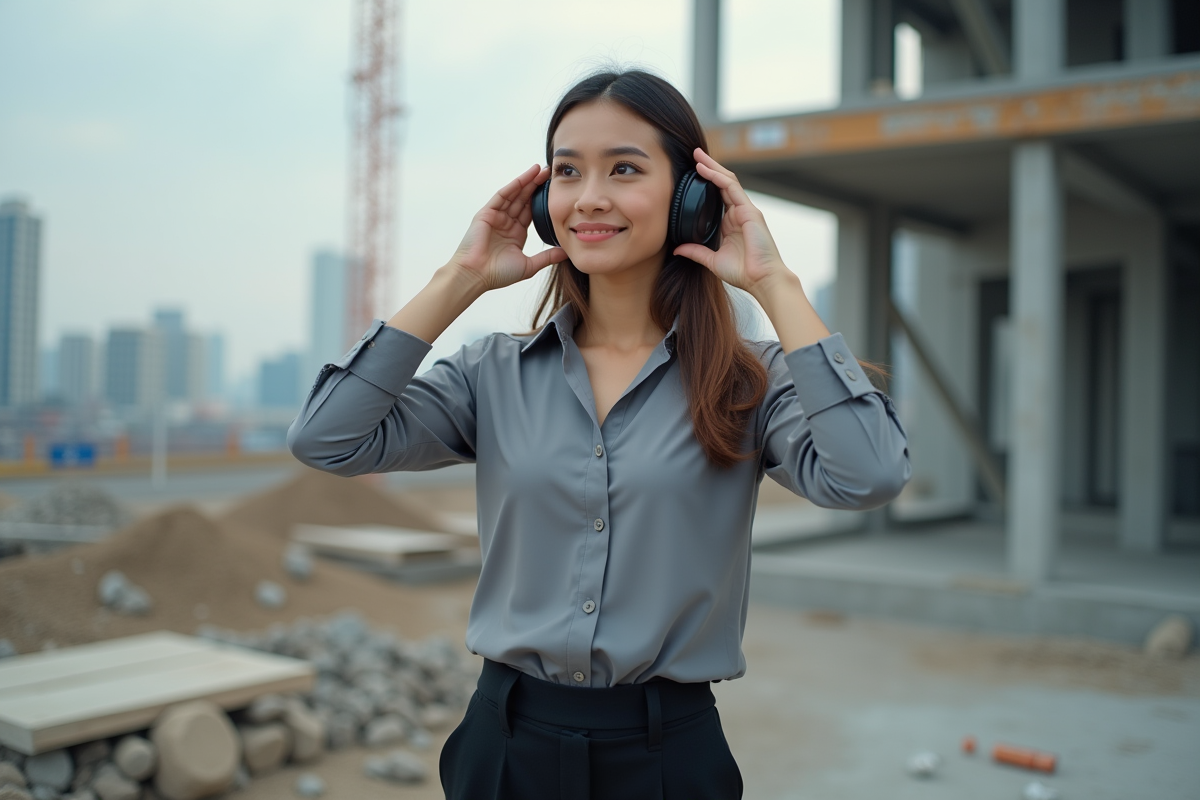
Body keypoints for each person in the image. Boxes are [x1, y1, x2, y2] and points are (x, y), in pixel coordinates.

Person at [288, 68, 910, 800]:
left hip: (667, 759)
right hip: (505, 748)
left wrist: (777, 286)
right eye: (567, 171)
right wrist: (458, 278)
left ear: (690, 196)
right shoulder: (493, 374)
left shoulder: (749, 384)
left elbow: (869, 473)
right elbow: (326, 438)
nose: (589, 197)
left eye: (624, 168)